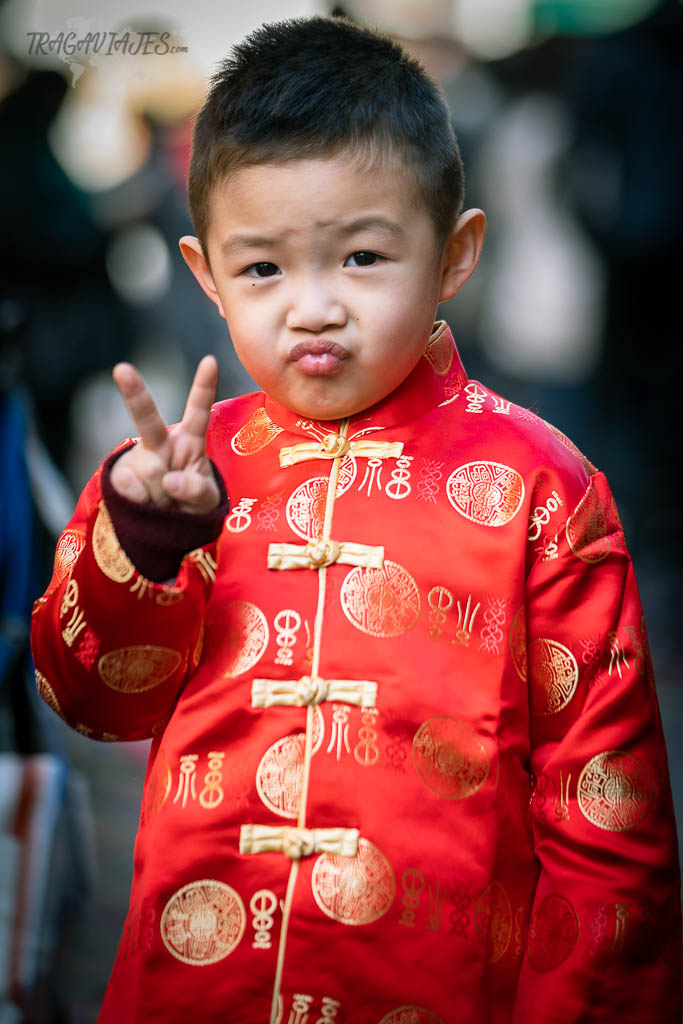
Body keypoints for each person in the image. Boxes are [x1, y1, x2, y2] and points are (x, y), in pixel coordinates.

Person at [30, 16, 681, 1023]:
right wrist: (144, 542)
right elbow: (92, 702)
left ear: (453, 253)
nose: (312, 308)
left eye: (363, 257)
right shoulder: (175, 479)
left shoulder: (541, 489)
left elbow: (607, 829)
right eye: (262, 270)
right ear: (204, 275)